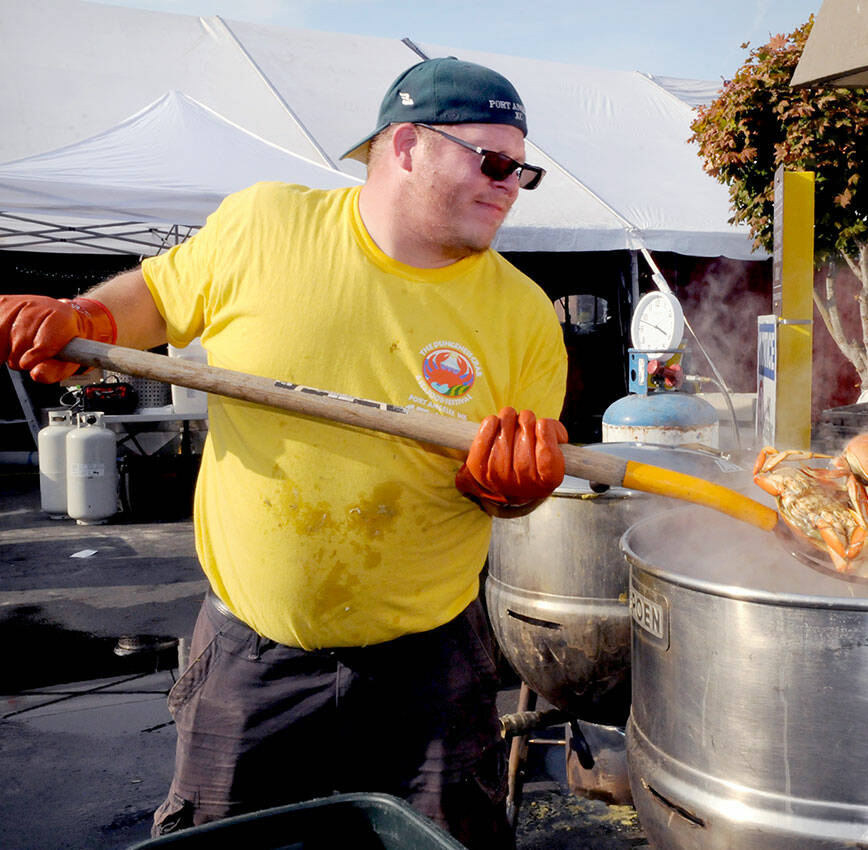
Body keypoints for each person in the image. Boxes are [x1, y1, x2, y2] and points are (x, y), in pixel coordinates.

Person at [0, 57, 568, 849]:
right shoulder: (267, 227)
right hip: (251, 657)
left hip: (431, 667)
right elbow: (157, 300)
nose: (511, 184)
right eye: (495, 161)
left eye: (525, 172)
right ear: (406, 144)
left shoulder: (524, 313)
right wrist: (80, 316)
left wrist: (518, 488)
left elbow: (509, 485)